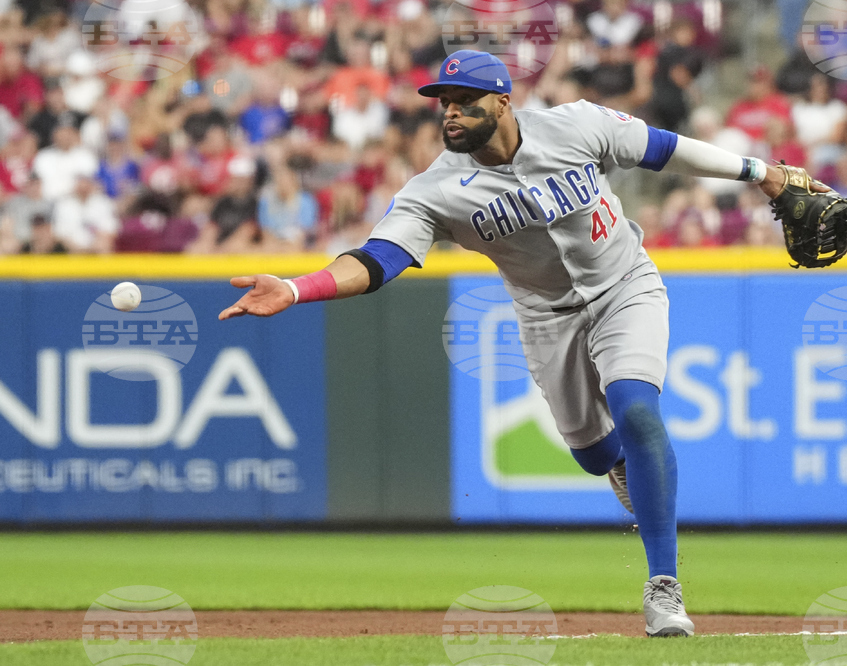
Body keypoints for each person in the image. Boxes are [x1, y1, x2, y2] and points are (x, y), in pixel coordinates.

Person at [218, 50, 811, 638]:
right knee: (595, 455)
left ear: (503, 101)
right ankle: (620, 464)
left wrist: (762, 174)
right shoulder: (436, 190)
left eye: (464, 102)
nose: (450, 114)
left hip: (625, 286)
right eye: (443, 104)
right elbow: (379, 260)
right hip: (546, 317)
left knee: (636, 407)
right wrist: (297, 289)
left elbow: (663, 148)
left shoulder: (575, 124)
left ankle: (663, 586)